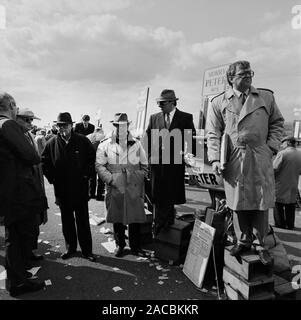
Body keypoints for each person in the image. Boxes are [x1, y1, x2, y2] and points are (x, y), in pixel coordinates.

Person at [206, 60, 284, 265]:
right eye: (243, 74)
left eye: (250, 73)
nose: (249, 76)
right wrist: (214, 158)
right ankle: (243, 240)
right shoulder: (219, 102)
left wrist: (271, 147)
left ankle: (261, 244)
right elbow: (213, 133)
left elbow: (277, 123)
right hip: (234, 158)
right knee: (237, 202)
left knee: (260, 202)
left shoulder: (266, 97)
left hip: (260, 156)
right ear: (231, 78)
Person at [0, 92, 45, 296]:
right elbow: (31, 156)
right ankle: (17, 282)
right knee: (16, 239)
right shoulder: (7, 125)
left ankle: (17, 277)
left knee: (14, 238)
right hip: (17, 193)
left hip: (8, 192)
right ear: (11, 105)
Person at [42, 112, 96, 262]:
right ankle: (70, 248)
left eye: (65, 125)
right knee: (67, 221)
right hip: (62, 190)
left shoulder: (82, 140)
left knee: (83, 221)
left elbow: (92, 161)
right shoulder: (51, 143)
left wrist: (86, 176)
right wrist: (52, 178)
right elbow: (44, 162)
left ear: (72, 125)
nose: (62, 128)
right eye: (59, 126)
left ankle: (87, 251)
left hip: (79, 189)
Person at [144, 89, 196, 235]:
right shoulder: (154, 118)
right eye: (158, 103)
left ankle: (166, 226)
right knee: (157, 196)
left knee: (170, 195)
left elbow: (191, 141)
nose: (159, 105)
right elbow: (147, 139)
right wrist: (148, 158)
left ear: (172, 102)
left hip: (174, 165)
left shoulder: (185, 117)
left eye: (162, 103)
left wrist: (189, 163)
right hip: (156, 165)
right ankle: (159, 226)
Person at [96, 113, 148, 257]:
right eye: (118, 125)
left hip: (133, 185)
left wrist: (138, 178)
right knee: (118, 217)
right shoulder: (105, 144)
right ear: (115, 126)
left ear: (128, 126)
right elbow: (99, 165)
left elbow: (144, 165)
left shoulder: (137, 144)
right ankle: (120, 245)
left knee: (135, 218)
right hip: (115, 185)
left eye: (124, 125)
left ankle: (135, 246)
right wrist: (111, 180)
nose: (121, 128)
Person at [16, 108, 48, 264]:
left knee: (34, 223)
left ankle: (29, 252)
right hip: (24, 186)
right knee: (24, 226)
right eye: (26, 119)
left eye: (31, 120)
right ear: (17, 119)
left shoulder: (30, 135)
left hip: (35, 182)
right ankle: (23, 257)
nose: (30, 123)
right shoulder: (14, 136)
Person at [273, 136, 301, 229]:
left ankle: (280, 224)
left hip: (281, 183)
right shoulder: (299, 154)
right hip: (293, 183)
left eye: (283, 142)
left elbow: (274, 168)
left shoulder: (282, 153)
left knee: (278, 204)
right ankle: (290, 225)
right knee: (291, 205)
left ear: (288, 143)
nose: (282, 144)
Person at [87, 125, 106, 200]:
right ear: (101, 131)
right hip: (100, 159)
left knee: (92, 177)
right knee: (101, 179)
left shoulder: (88, 136)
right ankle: (99, 195)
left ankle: (91, 194)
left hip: (91, 159)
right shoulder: (104, 136)